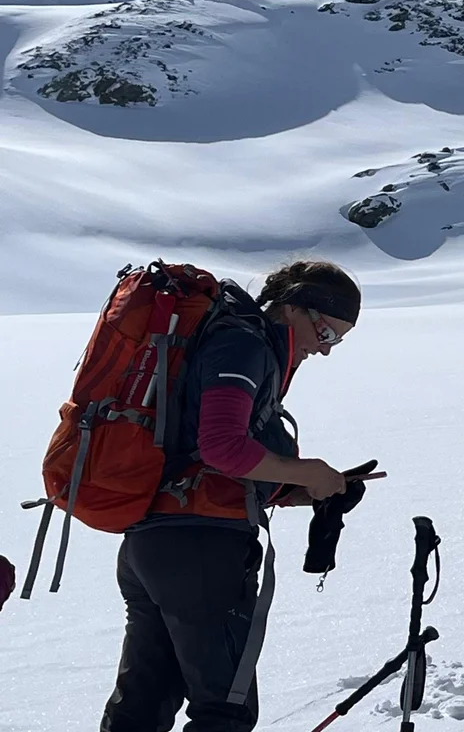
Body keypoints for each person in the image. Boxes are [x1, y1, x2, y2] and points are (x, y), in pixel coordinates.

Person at [103, 261, 363, 732]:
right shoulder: (243, 343)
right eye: (326, 331)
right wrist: (306, 470)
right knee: (225, 709)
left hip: (157, 542)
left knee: (146, 697)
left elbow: (208, 455)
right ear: (292, 308)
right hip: (200, 549)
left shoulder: (231, 337)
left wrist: (304, 490)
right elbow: (223, 448)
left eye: (336, 341)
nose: (324, 350)